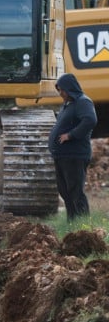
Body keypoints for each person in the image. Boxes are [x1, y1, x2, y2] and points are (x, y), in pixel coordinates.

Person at [48, 73, 97, 221]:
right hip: (62, 156)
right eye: (59, 90)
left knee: (75, 191)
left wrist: (70, 135)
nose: (61, 93)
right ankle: (72, 222)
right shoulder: (68, 104)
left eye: (62, 90)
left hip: (75, 155)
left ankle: (84, 225)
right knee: (64, 191)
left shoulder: (83, 102)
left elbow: (90, 120)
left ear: (70, 88)